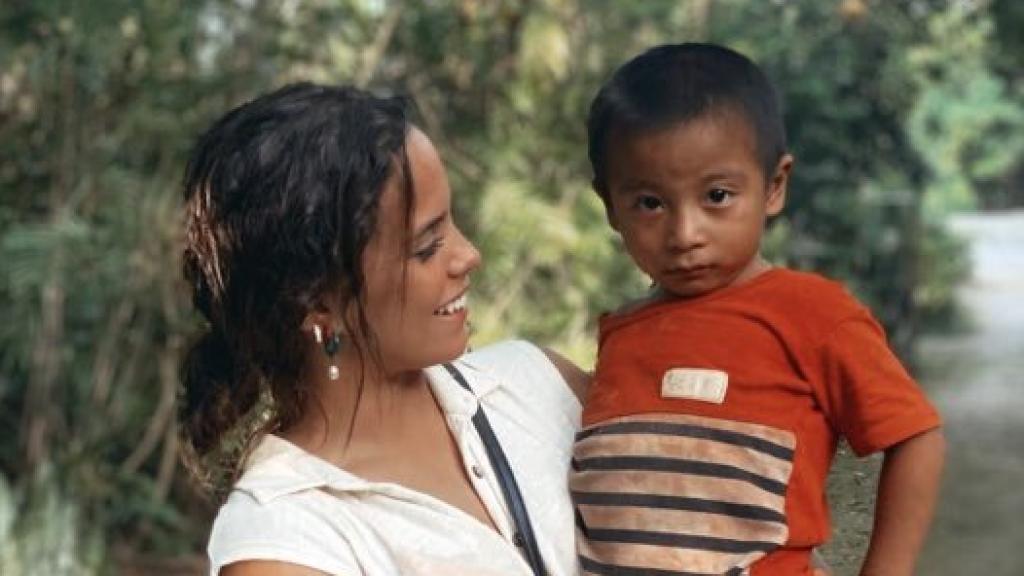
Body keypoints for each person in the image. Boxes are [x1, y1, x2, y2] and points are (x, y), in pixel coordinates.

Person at [179, 83, 588, 575]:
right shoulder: (290, 543)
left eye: (451, 223)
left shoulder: (536, 386)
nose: (469, 255)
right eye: (426, 248)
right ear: (315, 304)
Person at [571, 43, 945, 575]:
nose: (685, 233)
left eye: (717, 196)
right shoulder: (622, 333)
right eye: (650, 203)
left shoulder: (813, 314)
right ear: (611, 206)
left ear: (773, 187)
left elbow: (915, 437)